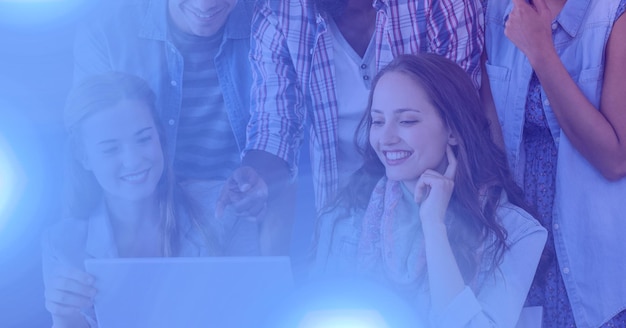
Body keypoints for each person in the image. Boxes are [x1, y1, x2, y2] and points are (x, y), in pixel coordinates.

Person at [218, 0, 485, 256]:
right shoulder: (279, 10)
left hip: (435, 205)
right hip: (343, 213)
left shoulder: (439, 3)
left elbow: (459, 112)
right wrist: (257, 176)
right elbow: (275, 124)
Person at [312, 54, 547, 327]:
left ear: (453, 131)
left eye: (407, 121)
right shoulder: (345, 215)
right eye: (377, 121)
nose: (386, 138)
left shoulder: (517, 232)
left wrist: (434, 226)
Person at [41, 73, 244, 327]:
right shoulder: (62, 244)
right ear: (84, 158)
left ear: (160, 136)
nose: (134, 160)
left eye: (144, 138)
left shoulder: (221, 209)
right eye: (110, 149)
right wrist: (65, 318)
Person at [483, 0, 626, 326]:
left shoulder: (614, 14)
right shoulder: (493, 12)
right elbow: (491, 146)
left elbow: (616, 159)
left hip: (597, 260)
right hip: (523, 252)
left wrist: (539, 49)